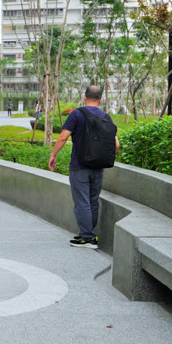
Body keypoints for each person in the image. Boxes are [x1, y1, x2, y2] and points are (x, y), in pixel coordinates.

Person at [47, 86, 120, 248]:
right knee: (93, 201)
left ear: (84, 97)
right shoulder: (106, 117)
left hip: (79, 166)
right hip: (98, 166)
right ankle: (87, 235)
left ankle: (87, 238)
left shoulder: (76, 114)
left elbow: (63, 137)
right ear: (101, 100)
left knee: (82, 202)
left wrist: (53, 155)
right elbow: (116, 144)